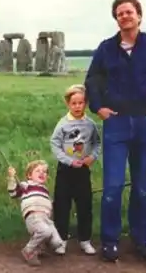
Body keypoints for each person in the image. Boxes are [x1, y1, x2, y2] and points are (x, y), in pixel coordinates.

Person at [84, 0, 146, 262]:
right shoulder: (106, 48)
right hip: (117, 123)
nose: (124, 16)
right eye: (120, 13)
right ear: (116, 19)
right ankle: (110, 241)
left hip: (145, 123)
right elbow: (92, 79)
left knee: (142, 188)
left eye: (129, 12)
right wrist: (98, 108)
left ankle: (141, 239)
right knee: (112, 188)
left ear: (139, 16)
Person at [50, 84, 101, 256]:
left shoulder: (90, 124)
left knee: (85, 205)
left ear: (85, 103)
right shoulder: (63, 124)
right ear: (68, 104)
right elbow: (55, 144)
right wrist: (68, 161)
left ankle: (85, 240)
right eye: (74, 103)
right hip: (65, 170)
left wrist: (92, 157)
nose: (78, 106)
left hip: (83, 170)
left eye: (81, 103)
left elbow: (97, 143)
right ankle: (61, 240)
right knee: (62, 205)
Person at [7, 160, 65, 266]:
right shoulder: (26, 185)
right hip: (34, 217)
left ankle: (38, 249)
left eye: (44, 171)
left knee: (58, 243)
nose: (42, 173)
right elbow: (13, 193)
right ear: (29, 175)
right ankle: (28, 250)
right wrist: (11, 178)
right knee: (45, 231)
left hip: (46, 219)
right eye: (38, 171)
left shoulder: (45, 190)